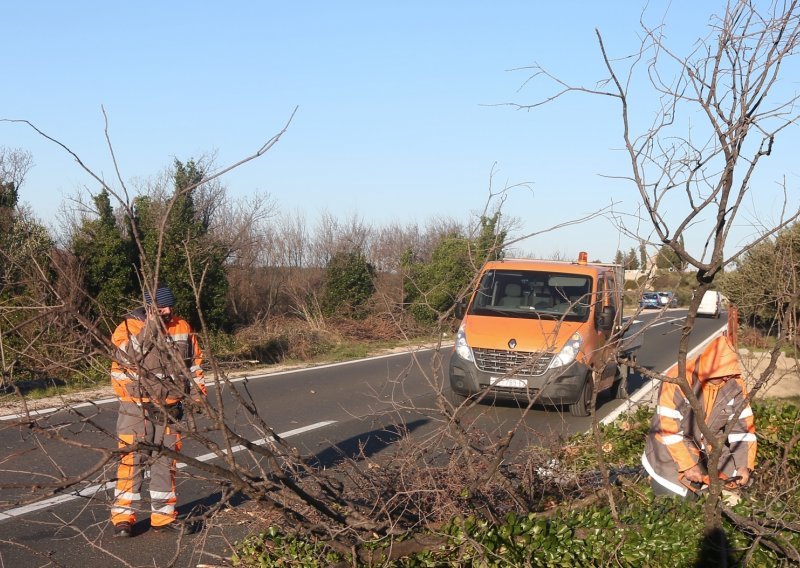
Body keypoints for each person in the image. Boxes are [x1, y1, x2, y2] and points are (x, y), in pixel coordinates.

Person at [109, 285, 206, 537]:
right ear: (148, 307)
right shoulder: (128, 327)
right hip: (135, 406)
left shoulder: (182, 326)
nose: (167, 310)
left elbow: (194, 366)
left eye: (169, 305)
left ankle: (163, 518)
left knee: (166, 463)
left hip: (170, 408)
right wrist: (151, 327)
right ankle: (123, 519)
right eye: (161, 307)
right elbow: (129, 356)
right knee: (132, 462)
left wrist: (198, 397)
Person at [642, 334, 756, 498]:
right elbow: (668, 429)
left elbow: (743, 431)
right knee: (679, 499)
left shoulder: (735, 385)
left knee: (730, 490)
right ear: (707, 368)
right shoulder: (678, 379)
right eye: (721, 374)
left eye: (729, 374)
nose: (726, 378)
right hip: (669, 449)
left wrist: (744, 466)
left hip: (709, 448)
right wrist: (688, 466)